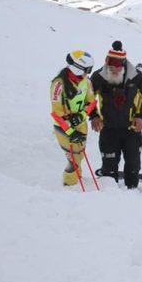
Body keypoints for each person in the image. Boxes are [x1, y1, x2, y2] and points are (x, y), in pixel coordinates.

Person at [89, 41, 142, 189]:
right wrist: (94, 115)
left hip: (131, 128)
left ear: (123, 64)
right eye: (111, 66)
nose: (115, 70)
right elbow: (88, 98)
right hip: (108, 128)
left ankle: (133, 190)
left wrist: (141, 117)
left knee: (133, 162)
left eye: (118, 66)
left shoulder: (136, 77)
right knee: (109, 164)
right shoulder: (99, 77)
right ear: (106, 63)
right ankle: (110, 194)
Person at [51, 50, 96, 186]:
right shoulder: (59, 85)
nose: (87, 73)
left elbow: (92, 102)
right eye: (86, 70)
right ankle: (69, 183)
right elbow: (56, 113)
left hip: (80, 124)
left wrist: (81, 116)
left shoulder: (86, 82)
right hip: (63, 126)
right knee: (74, 158)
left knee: (80, 154)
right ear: (76, 68)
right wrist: (70, 131)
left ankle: (77, 178)